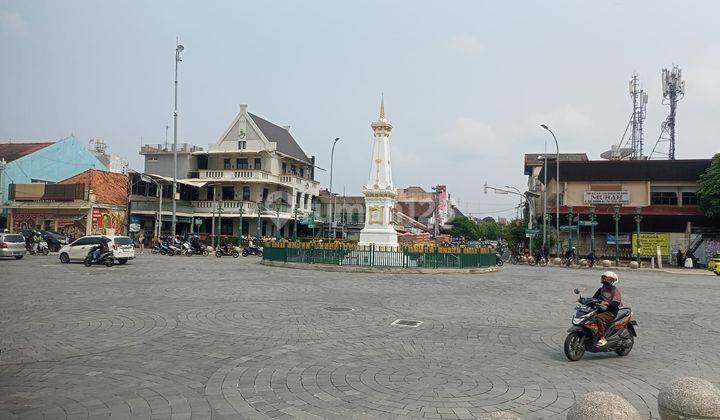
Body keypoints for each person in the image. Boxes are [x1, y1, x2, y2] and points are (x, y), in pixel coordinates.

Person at [592, 271, 622, 347]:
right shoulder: (601, 289)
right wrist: (582, 300)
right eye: (604, 278)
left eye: (607, 279)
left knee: (599, 318)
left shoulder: (615, 291)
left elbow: (616, 302)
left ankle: (602, 338)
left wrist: (608, 303)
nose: (605, 280)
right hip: (601, 309)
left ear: (613, 281)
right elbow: (593, 298)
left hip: (611, 312)